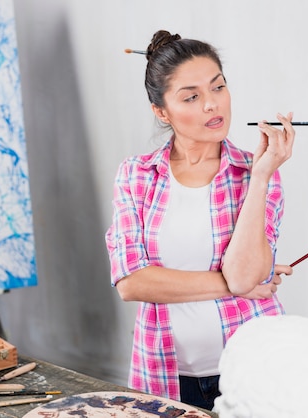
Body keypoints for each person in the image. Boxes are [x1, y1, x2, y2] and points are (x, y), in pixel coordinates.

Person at [105, 30, 295, 410]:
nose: (212, 104)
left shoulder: (255, 172)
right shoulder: (136, 175)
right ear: (161, 111)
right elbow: (131, 282)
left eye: (218, 87)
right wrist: (235, 286)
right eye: (191, 97)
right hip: (163, 373)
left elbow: (245, 276)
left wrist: (258, 178)